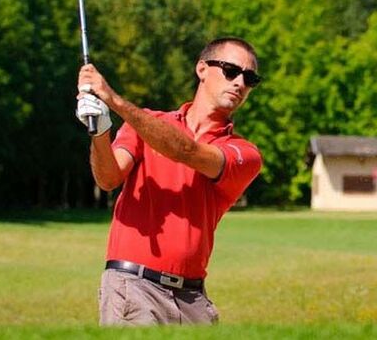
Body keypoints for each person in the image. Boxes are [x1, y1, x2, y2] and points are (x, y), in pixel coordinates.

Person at [75, 37, 263, 325]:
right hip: (133, 288)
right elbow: (109, 178)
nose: (239, 82)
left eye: (249, 78)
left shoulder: (244, 153)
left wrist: (114, 100)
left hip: (193, 300)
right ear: (202, 69)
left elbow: (186, 150)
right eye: (230, 70)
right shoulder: (145, 123)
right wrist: (100, 132)